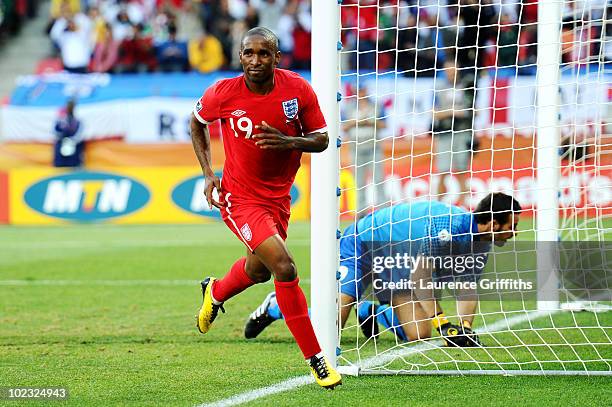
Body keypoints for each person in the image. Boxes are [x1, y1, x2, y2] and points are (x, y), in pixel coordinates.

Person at [190, 27, 342, 389]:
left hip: (278, 198)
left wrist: (289, 141)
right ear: (239, 56)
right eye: (248, 53)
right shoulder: (222, 93)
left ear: (277, 57)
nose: (255, 60)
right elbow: (196, 123)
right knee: (284, 267)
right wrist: (209, 173)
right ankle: (317, 360)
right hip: (239, 198)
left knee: (258, 271)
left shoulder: (298, 90)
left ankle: (215, 291)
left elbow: (321, 139)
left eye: (263, 53)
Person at [244, 193, 521, 347]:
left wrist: (465, 328)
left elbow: (466, 286)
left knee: (418, 336)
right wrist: (443, 324)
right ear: (494, 223)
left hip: (399, 261)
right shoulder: (446, 226)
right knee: (331, 328)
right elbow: (422, 277)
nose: (516, 233)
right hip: (364, 244)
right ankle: (274, 306)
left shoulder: (482, 243)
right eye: (513, 225)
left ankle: (372, 312)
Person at [432, 59, 477, 206]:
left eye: (453, 71)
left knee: (462, 170)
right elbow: (434, 113)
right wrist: (451, 112)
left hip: (463, 131)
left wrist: (464, 113)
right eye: (448, 71)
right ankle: (438, 205)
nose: (451, 74)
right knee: (443, 170)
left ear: (458, 70)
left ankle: (464, 205)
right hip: (445, 133)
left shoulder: (467, 86)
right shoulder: (439, 88)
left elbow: (474, 111)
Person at [341, 84, 387, 217]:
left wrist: (370, 122)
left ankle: (383, 212)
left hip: (374, 147)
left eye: (362, 90)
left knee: (379, 179)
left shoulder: (376, 105)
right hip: (356, 147)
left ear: (366, 90)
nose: (360, 93)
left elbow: (384, 124)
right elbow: (344, 126)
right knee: (359, 182)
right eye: (357, 91)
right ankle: (361, 213)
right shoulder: (349, 107)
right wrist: (358, 121)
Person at [53, 99, 84, 167]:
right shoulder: (61, 119)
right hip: (61, 144)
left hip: (74, 145)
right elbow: (56, 131)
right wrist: (62, 138)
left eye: (71, 106)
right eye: (68, 106)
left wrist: (72, 140)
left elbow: (80, 134)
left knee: (73, 164)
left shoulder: (77, 120)